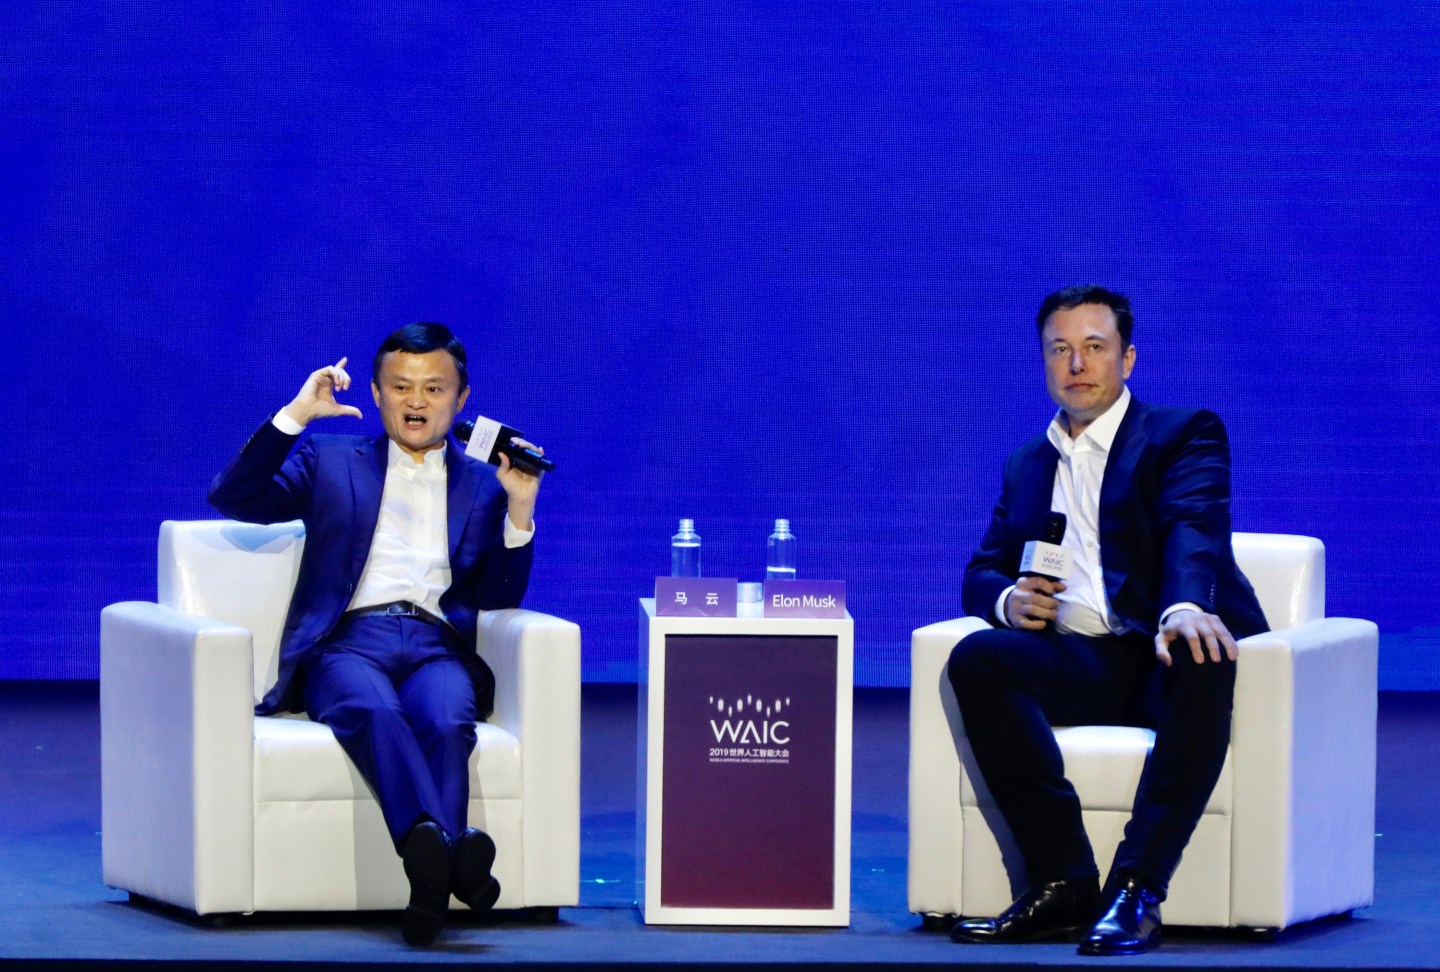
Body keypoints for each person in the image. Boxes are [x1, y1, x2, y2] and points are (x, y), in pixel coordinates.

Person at [945, 285, 1268, 956]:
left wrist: (1185, 607)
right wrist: (1009, 601)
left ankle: (1137, 889)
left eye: (1094, 347)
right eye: (1059, 349)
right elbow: (982, 571)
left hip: (1161, 653)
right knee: (978, 658)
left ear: (1127, 358)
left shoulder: (1180, 434)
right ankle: (1062, 882)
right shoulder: (1028, 464)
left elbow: (1193, 526)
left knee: (1203, 652)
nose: (1076, 364)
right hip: (1083, 660)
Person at [209, 323, 544, 946]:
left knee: (446, 720)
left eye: (434, 388)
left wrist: (520, 509)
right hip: (348, 644)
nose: (416, 401)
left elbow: (500, 599)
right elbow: (235, 498)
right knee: (374, 710)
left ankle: (430, 882)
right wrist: (297, 415)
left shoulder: (481, 482)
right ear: (376, 392)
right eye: (401, 386)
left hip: (437, 648)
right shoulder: (331, 459)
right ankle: (450, 855)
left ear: (461, 399)